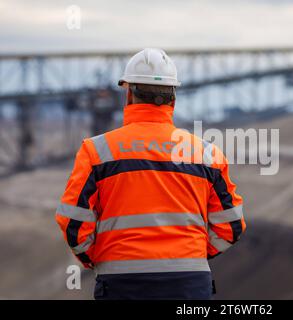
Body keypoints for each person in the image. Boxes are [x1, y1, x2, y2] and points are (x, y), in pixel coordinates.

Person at [55, 48, 246, 300]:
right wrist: (191, 255)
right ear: (173, 99)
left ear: (129, 95)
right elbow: (231, 226)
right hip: (189, 284)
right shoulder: (206, 154)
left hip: (121, 283)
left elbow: (73, 222)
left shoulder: (97, 151)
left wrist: (99, 258)